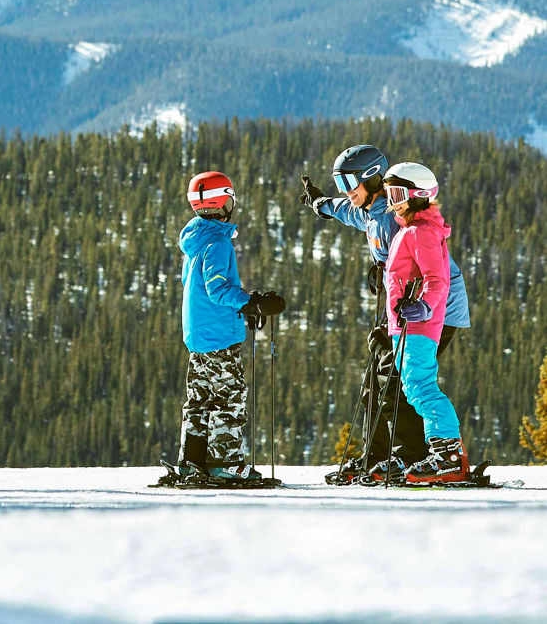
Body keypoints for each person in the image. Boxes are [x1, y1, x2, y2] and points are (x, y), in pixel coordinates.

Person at [299, 144, 470, 481]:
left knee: (399, 381)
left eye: (349, 184)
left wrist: (392, 281)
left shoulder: (398, 220)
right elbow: (346, 211)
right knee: (376, 382)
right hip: (403, 311)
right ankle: (376, 456)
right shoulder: (372, 210)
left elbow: (428, 273)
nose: (346, 192)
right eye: (340, 184)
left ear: (373, 178)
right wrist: (320, 204)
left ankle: (409, 455)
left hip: (434, 310)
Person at [176, 170, 286, 486]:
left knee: (200, 398)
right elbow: (217, 289)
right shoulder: (218, 241)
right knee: (229, 397)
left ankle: (192, 462)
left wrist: (242, 308)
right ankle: (225, 463)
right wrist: (251, 303)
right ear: (225, 201)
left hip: (199, 334)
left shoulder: (195, 239)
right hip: (218, 336)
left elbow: (193, 286)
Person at [380, 161, 469, 483]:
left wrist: (424, 306)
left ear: (418, 195)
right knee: (412, 387)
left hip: (418, 324)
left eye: (397, 194)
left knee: (421, 387)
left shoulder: (422, 232)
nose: (392, 201)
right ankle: (440, 454)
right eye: (389, 194)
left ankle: (448, 456)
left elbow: (437, 279)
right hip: (403, 324)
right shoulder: (409, 231)